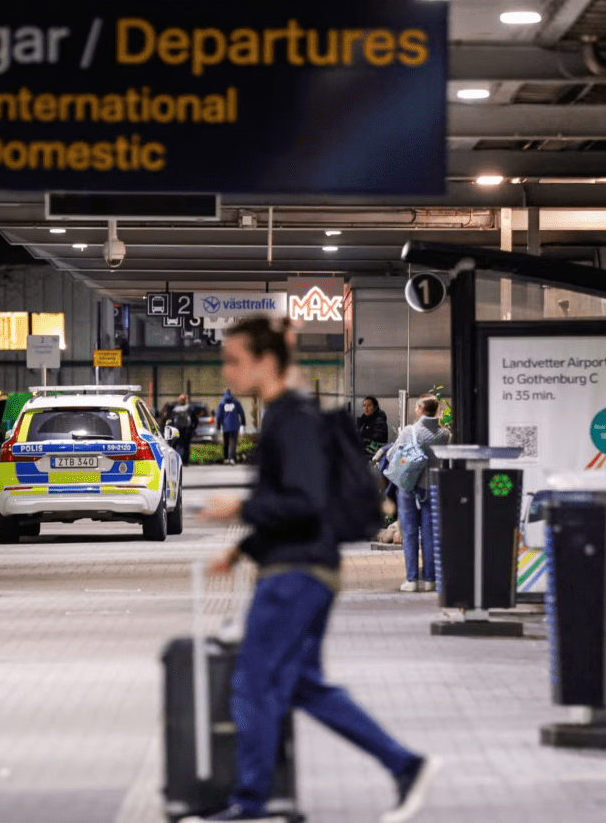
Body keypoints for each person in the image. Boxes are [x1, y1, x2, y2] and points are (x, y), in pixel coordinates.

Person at [188, 317, 441, 823]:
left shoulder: (291, 418)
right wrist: (240, 551)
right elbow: (296, 502)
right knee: (300, 684)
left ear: (264, 362)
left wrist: (236, 511)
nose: (227, 371)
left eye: (234, 360)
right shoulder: (289, 415)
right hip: (305, 568)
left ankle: (252, 803)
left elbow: (304, 502)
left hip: (294, 576)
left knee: (252, 682)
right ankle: (404, 765)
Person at [395, 396, 451, 593]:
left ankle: (411, 580)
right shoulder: (444, 434)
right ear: (435, 411)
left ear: (419, 409)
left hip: (409, 487)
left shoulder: (409, 432)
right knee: (429, 534)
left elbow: (393, 454)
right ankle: (430, 579)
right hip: (432, 487)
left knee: (410, 533)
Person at [161, 393, 198, 465]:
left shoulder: (175, 409)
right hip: (187, 431)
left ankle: (173, 461)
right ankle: (185, 462)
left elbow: (171, 420)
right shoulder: (190, 408)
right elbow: (195, 420)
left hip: (176, 430)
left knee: (174, 445)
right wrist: (192, 428)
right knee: (186, 447)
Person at [217, 389, 247, 465]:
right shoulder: (236, 402)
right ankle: (232, 458)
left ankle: (226, 458)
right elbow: (242, 413)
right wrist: (243, 424)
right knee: (233, 442)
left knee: (226, 442)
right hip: (235, 425)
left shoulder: (222, 403)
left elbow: (219, 416)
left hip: (225, 426)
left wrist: (218, 426)